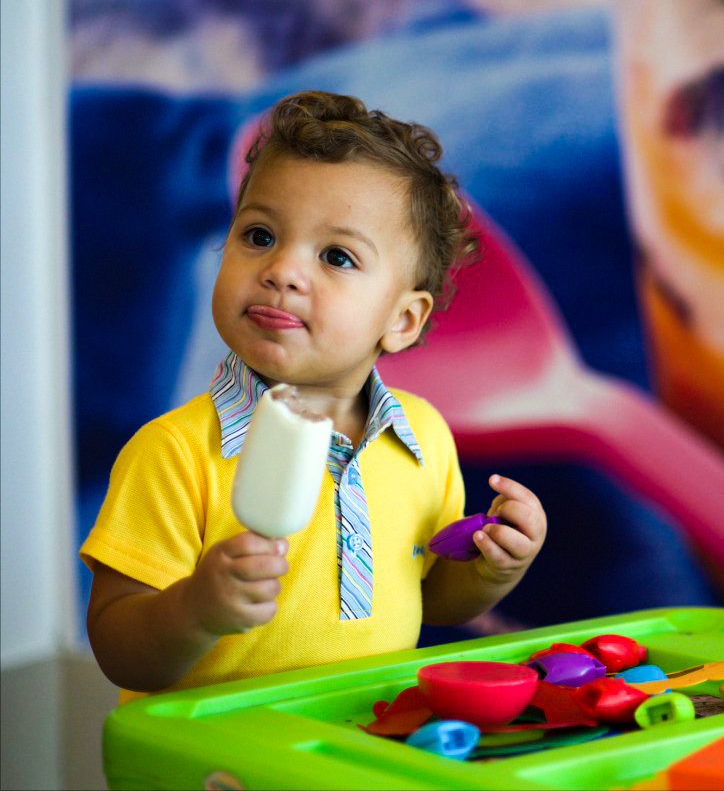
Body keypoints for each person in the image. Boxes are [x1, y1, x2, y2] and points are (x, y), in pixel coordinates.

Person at [81, 90, 547, 703]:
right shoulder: (174, 454)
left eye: (336, 256)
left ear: (403, 321)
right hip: (219, 758)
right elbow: (119, 649)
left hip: (361, 738)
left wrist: (492, 569)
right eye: (258, 235)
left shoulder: (423, 439)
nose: (282, 270)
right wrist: (195, 610)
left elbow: (431, 597)